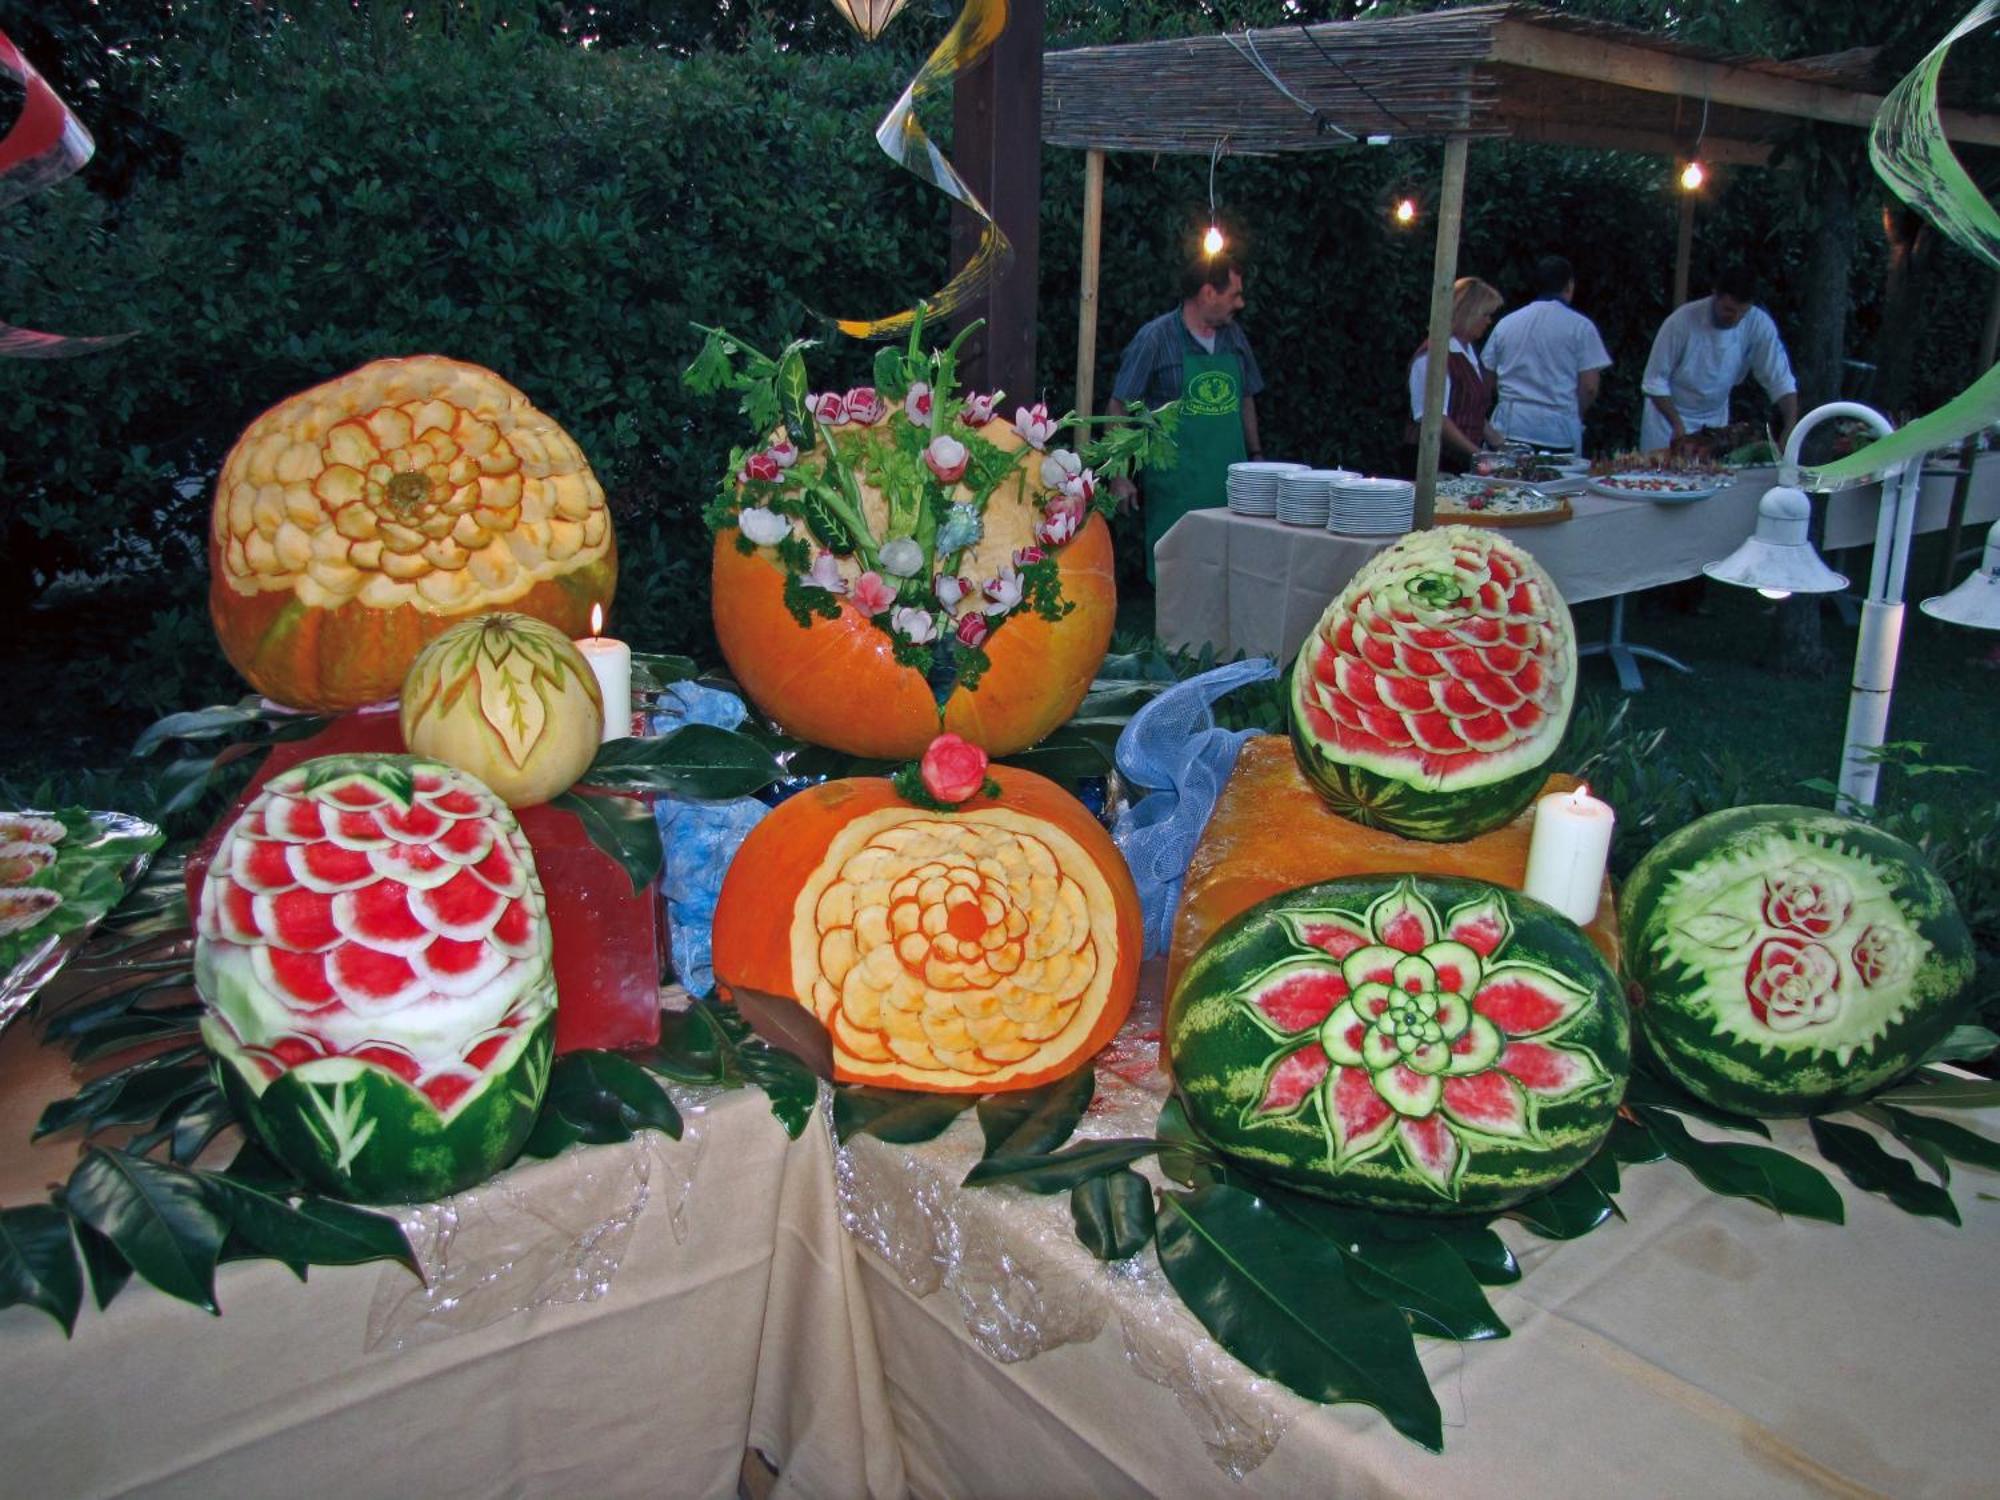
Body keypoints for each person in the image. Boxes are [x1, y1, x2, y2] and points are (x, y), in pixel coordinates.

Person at [1107, 253, 1265, 578]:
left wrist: (1257, 455)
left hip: (1229, 485)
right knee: (1177, 576)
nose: (1241, 303)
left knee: (1228, 573)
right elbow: (1118, 406)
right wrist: (1119, 475)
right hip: (1176, 487)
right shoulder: (1155, 338)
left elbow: (1246, 397)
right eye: (1234, 294)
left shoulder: (1234, 338)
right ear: (1209, 293)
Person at [1639, 265, 1799, 454]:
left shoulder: (1758, 325)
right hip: (1666, 422)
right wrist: (1677, 425)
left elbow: (1780, 379)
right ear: (1715, 294)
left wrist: (1791, 426)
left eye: (1743, 312)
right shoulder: (1681, 322)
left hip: (1714, 424)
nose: (1736, 318)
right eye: (1729, 310)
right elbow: (1654, 381)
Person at [1483, 254, 1611, 454]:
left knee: (1506, 484)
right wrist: (1574, 415)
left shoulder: (1507, 323)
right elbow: (1590, 387)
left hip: (1509, 426)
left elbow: (1487, 377)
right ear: (1569, 286)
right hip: (1558, 430)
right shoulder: (1581, 327)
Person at [1406, 277, 1503, 475]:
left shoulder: (1468, 353)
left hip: (1462, 462)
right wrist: (1478, 454)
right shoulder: (1433, 356)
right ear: (1468, 313)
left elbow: (1469, 407)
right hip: (1436, 465)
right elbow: (1433, 418)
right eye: (1485, 314)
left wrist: (1499, 444)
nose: (1488, 321)